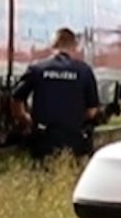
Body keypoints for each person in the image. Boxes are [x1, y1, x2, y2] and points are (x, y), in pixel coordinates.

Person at [12, 28, 105, 160]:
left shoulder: (37, 69)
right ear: (74, 47)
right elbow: (92, 111)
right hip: (74, 139)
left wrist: (25, 119)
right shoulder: (85, 71)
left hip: (43, 139)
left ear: (53, 45)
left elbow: (17, 98)